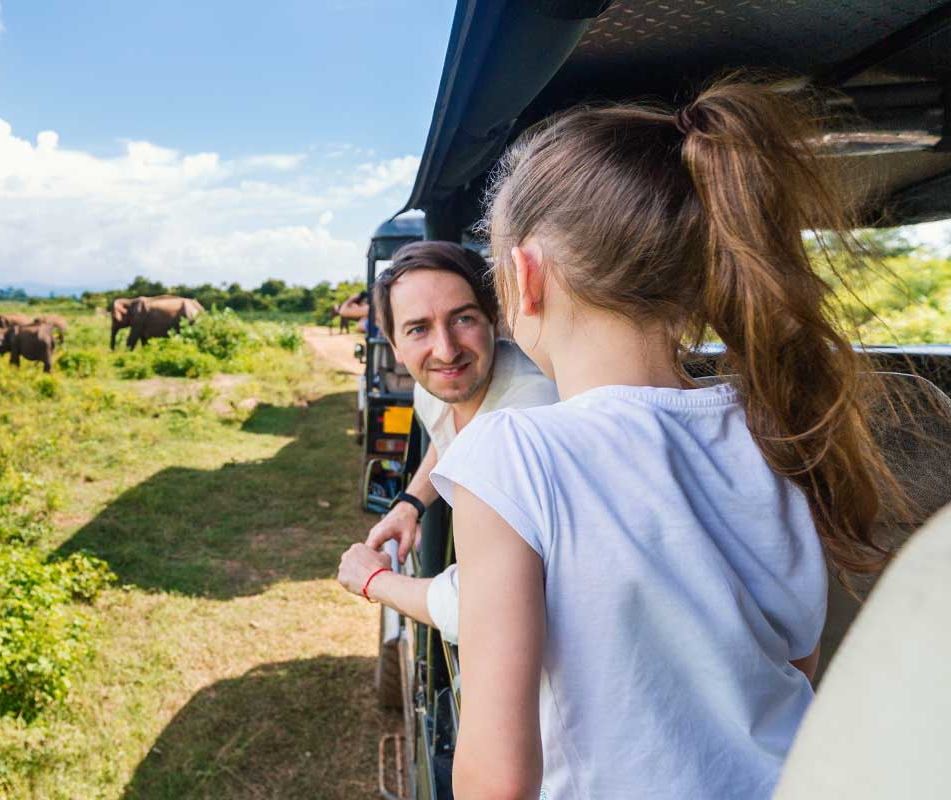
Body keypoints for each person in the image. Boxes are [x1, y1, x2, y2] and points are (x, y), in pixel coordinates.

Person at [338, 80, 901, 799]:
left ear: (524, 277)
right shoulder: (774, 430)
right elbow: (792, 668)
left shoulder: (512, 453)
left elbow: (499, 781)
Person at [341, 240, 557, 645]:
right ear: (395, 346)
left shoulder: (526, 426)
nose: (445, 351)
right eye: (418, 329)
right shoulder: (436, 390)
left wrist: (373, 580)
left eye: (463, 319)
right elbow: (447, 440)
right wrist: (410, 503)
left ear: (494, 319)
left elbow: (488, 611)